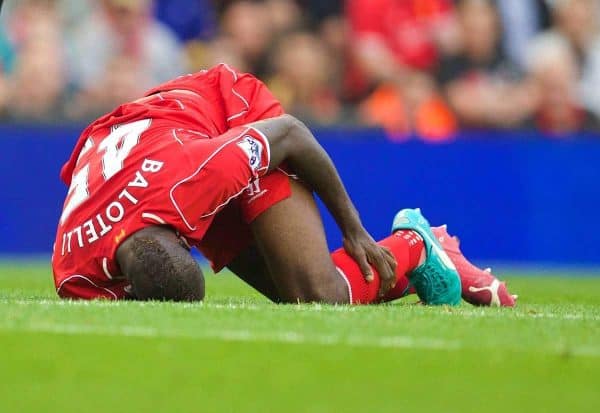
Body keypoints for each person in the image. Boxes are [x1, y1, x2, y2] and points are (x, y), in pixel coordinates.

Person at [51, 64, 516, 306]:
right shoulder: (71, 266)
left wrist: (352, 228)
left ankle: (415, 242)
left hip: (229, 114)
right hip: (160, 142)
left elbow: (292, 134)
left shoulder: (72, 264)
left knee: (315, 294)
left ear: (178, 233)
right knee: (292, 296)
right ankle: (425, 262)